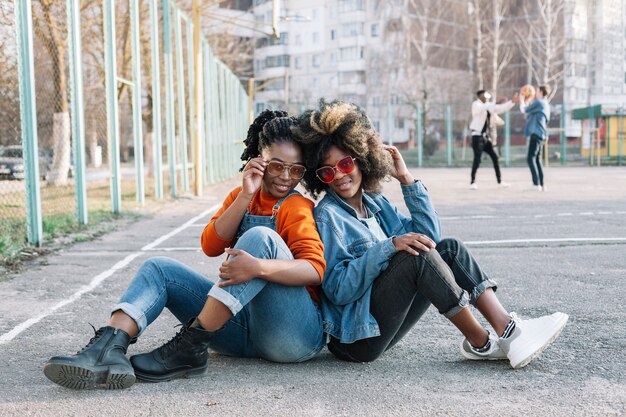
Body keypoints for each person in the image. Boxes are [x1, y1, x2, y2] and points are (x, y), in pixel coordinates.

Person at [43, 110, 326, 390]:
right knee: (159, 268)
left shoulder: (295, 205)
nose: (286, 177)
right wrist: (245, 196)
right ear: (259, 161)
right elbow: (210, 245)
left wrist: (258, 267)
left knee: (260, 237)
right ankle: (107, 349)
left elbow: (314, 270)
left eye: (296, 170)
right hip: (244, 332)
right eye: (277, 166)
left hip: (293, 336)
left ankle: (189, 348)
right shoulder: (242, 196)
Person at [293, 99, 567, 368]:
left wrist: (407, 181)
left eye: (344, 165)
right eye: (327, 172)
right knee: (416, 257)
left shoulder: (376, 203)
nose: (339, 176)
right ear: (319, 178)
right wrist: (390, 246)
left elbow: (430, 237)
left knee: (449, 249)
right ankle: (482, 343)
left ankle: (508, 330)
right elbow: (338, 289)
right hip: (355, 339)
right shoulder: (328, 216)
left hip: (379, 327)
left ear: (361, 159)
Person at [468, 90, 519, 190]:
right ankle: (472, 182)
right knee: (477, 159)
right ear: (480, 96)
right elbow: (485, 107)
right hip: (477, 137)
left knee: (495, 157)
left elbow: (501, 108)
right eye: (485, 96)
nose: (487, 98)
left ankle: (500, 181)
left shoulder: (489, 106)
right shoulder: (476, 104)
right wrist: (495, 103)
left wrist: (512, 102)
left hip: (485, 137)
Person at [520, 85, 551, 191]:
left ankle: (536, 184)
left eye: (537, 91)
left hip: (536, 134)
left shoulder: (539, 102)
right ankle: (542, 184)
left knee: (530, 158)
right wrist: (528, 101)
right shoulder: (545, 104)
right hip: (542, 134)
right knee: (537, 159)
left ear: (541, 92)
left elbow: (523, 110)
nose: (536, 93)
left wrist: (521, 99)